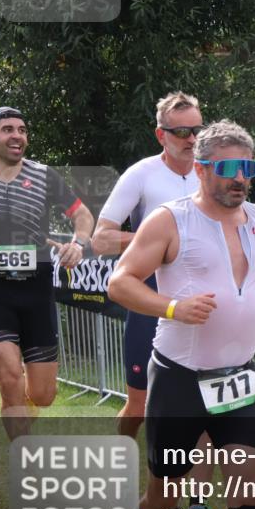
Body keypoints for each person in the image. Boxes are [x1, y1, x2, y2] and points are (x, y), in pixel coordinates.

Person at [108, 120, 255, 509]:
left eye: (246, 166)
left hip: (239, 377)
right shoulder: (171, 218)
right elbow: (120, 283)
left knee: (247, 486)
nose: (240, 177)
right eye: (228, 167)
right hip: (180, 379)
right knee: (162, 494)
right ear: (202, 169)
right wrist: (171, 306)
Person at [0, 106, 94, 438]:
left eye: (22, 129)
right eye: (8, 129)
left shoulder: (43, 176)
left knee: (42, 394)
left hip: (37, 295)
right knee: (10, 378)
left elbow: (82, 216)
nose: (17, 135)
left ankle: (24, 405)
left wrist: (79, 244)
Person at [91, 91, 203, 437]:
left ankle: (195, 493)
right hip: (150, 296)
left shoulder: (211, 173)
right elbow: (101, 239)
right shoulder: (141, 174)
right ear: (161, 135)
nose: (192, 139)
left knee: (204, 404)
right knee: (138, 404)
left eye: (197, 129)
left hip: (200, 296)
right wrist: (157, 244)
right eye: (181, 132)